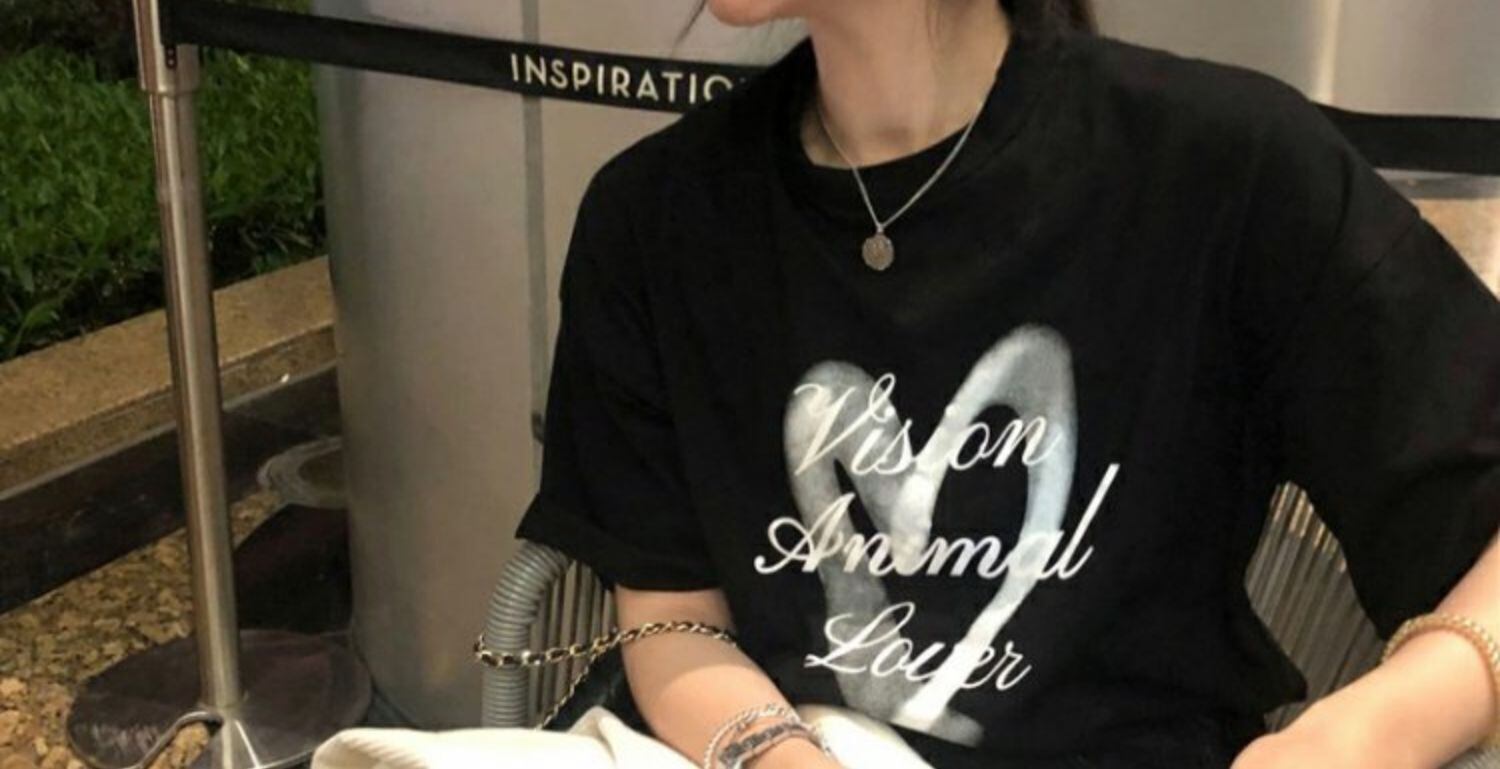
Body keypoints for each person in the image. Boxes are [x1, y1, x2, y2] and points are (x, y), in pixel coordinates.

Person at [513, 0, 1500, 767]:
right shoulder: (652, 218)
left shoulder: (1229, 169)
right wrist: (780, 754)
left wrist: (1356, 737)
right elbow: (672, 616)